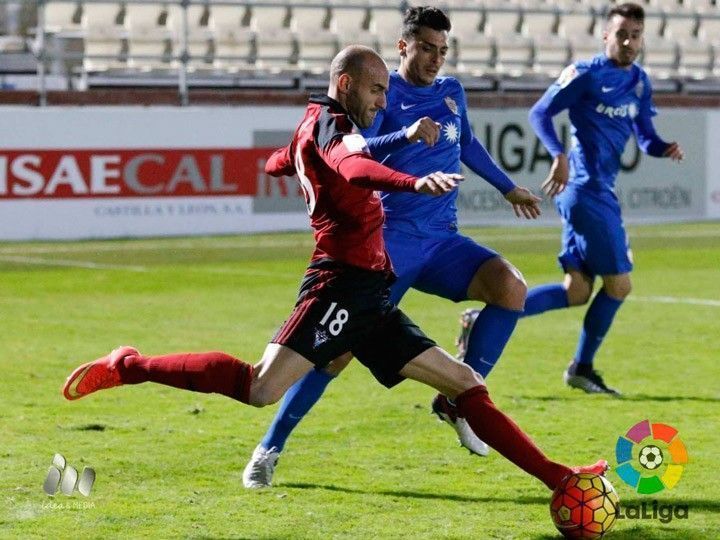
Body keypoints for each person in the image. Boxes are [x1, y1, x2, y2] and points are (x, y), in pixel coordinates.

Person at [62, 45, 606, 495]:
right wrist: (412, 182)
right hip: (338, 286)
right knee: (259, 388)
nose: (383, 100)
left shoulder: (315, 122)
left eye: (387, 92)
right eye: (376, 90)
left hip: (373, 290)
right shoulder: (332, 125)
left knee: (466, 384)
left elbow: (306, 155)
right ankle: (132, 366)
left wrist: (290, 160)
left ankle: (562, 480)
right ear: (345, 83)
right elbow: (354, 162)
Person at [242, 6, 544, 488]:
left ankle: (454, 401)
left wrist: (507, 187)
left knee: (510, 287)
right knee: (333, 355)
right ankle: (269, 447)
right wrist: (403, 135)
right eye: (426, 48)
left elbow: (466, 141)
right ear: (403, 46)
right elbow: (353, 155)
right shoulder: (376, 94)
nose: (435, 59)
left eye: (443, 50)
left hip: (442, 241)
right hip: (389, 244)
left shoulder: (451, 92)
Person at [458, 2, 684, 395]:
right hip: (584, 191)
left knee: (575, 291)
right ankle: (582, 367)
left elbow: (645, 135)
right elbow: (540, 114)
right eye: (621, 34)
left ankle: (482, 320)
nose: (628, 42)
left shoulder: (640, 81)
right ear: (605, 36)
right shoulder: (585, 74)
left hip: (599, 191)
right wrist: (559, 155)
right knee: (619, 286)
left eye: (635, 35)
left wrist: (663, 147)